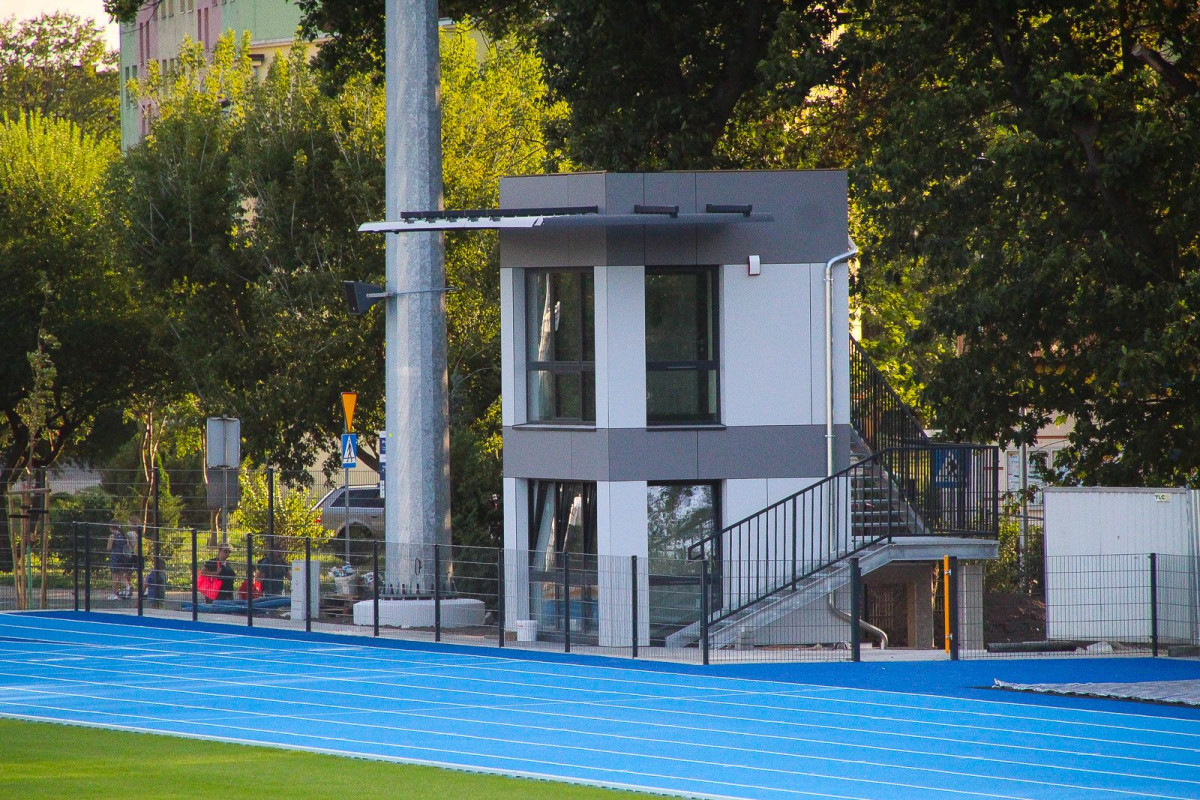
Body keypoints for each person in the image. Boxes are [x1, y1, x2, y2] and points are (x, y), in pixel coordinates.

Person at [106, 523, 134, 600]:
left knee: (115, 576)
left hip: (115, 557)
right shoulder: (124, 536)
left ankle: (114, 594)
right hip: (122, 557)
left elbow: (109, 548)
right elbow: (130, 546)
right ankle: (128, 586)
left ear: (112, 528)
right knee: (120, 574)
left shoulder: (112, 536)